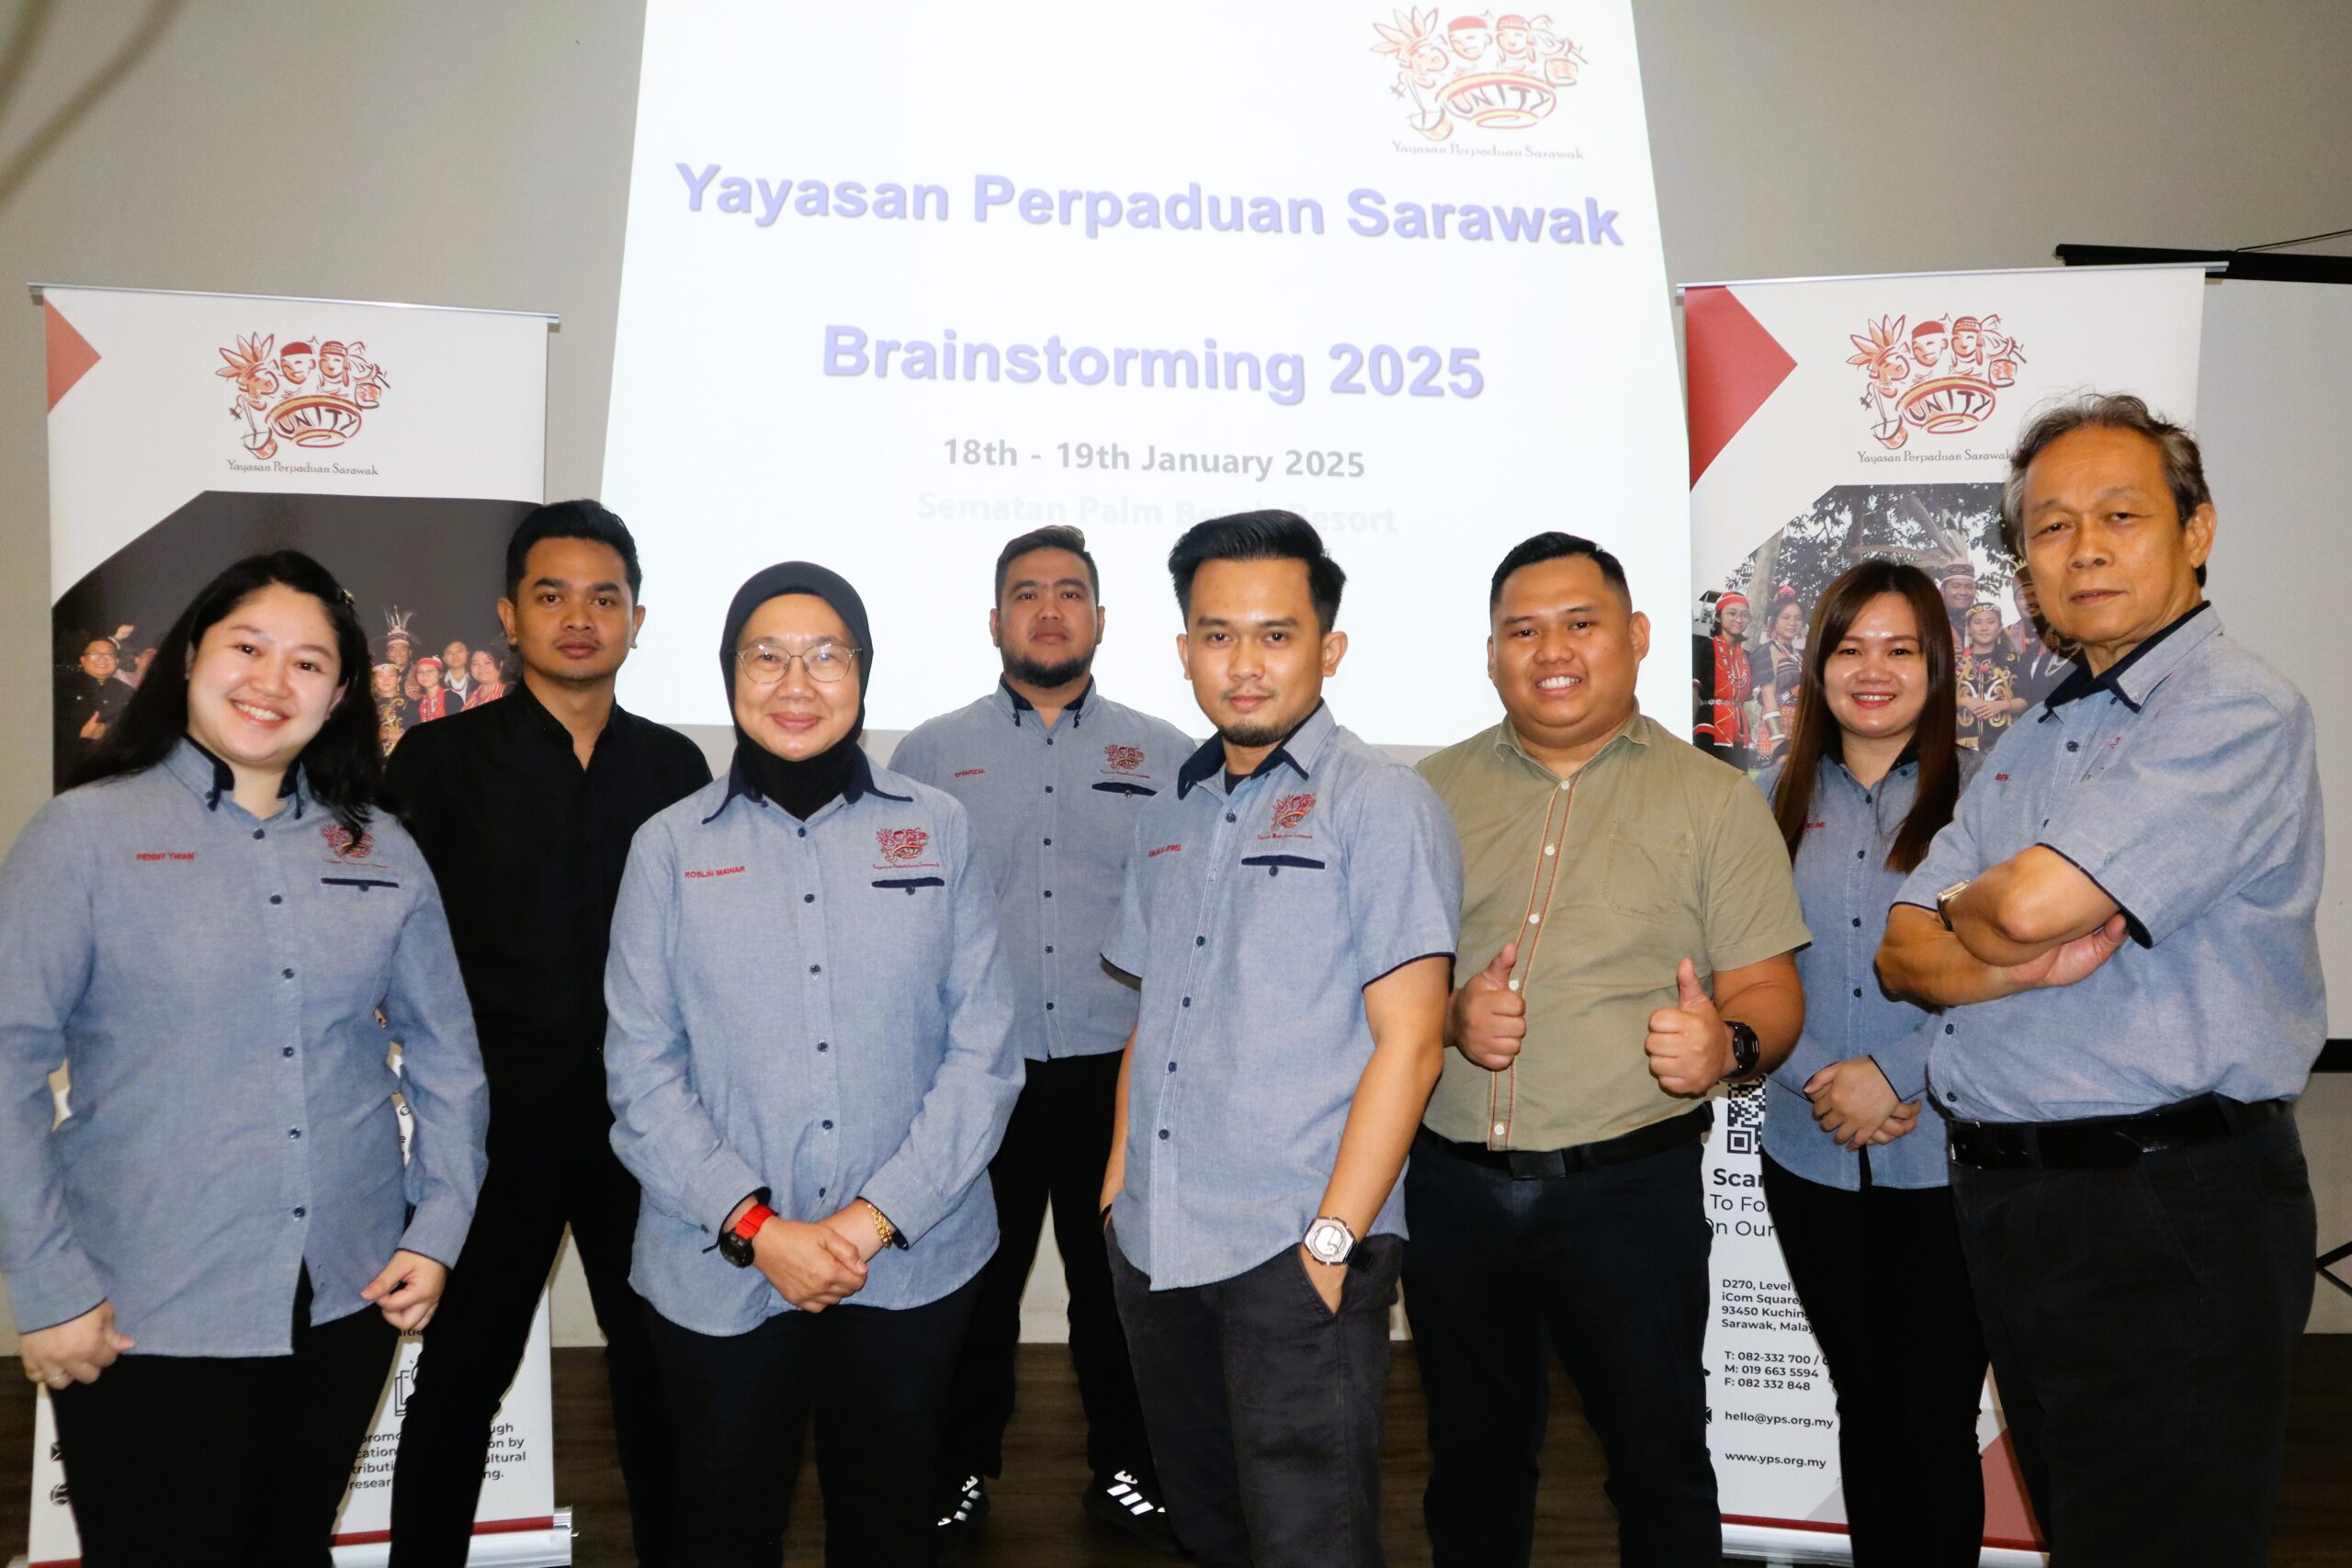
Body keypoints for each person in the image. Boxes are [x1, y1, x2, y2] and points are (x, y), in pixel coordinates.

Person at [1877, 394, 2324, 1565]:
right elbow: (1902, 948)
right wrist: (2011, 961)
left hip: (2162, 1203)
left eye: (2120, 515)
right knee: (2089, 1531)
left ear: (2196, 529)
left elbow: (2023, 906)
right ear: (2024, 566)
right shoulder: (2037, 729)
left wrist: (1989, 913)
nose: (2082, 549)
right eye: (2050, 527)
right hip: (2024, 1204)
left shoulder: (2232, 707)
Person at [0, 551, 488, 1567]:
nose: (272, 682)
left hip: (343, 1293)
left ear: (340, 695)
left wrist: (439, 1224)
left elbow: (448, 1055)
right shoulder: (84, 835)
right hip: (143, 1306)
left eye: (308, 663)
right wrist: (46, 1286)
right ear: (190, 656)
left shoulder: (381, 849)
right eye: (248, 647)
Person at [604, 561, 1023, 1566]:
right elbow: (641, 1072)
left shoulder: (938, 827)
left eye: (826, 655)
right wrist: (760, 1230)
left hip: (912, 1260)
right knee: (724, 1525)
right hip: (717, 1262)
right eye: (767, 656)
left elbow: (984, 1055)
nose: (796, 683)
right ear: (730, 674)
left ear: (863, 672)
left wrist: (871, 1220)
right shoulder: (667, 848)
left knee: (887, 1523)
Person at [1408, 532, 1809, 1568]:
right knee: (1470, 1468)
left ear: (1634, 636)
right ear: (1491, 654)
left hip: (1628, 1199)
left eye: (1580, 624)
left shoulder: (1714, 800)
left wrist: (1725, 1044)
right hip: (1451, 1192)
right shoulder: (1424, 794)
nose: (1552, 650)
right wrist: (1449, 1016)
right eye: (1522, 630)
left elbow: (1770, 991)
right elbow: (1376, 983)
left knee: (1658, 1466)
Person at [1099, 512, 1460, 1567]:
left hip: (1292, 1250)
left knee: (1312, 1542)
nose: (1244, 664)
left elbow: (1412, 1043)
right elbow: (1153, 1017)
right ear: (1183, 651)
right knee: (1206, 1529)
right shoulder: (1169, 814)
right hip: (1158, 1242)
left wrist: (1331, 1244)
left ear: (1328, 648)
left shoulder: (1381, 804)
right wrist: (1119, 1192)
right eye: (1218, 635)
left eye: (1275, 634)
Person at [386, 502, 711, 1568]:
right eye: (551, 595)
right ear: (508, 616)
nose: (579, 618)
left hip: (641, 1133)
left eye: (603, 598)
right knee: (459, 1383)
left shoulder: (675, 771)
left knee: (660, 1378)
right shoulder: (435, 763)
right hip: (492, 1134)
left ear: (637, 619)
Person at [893, 525, 1190, 1551]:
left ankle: (1131, 1466)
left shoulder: (1169, 755)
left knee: (1118, 1288)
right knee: (971, 1286)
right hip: (981, 1073)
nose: (1049, 609)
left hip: (1121, 1069)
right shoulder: (930, 755)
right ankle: (957, 1469)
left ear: (1101, 619)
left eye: (1070, 592)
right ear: (994, 620)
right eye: (1027, 592)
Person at [1755, 560, 1986, 1567]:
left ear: (1936, 666)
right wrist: (1825, 1077)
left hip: (1948, 1155)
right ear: (1817, 668)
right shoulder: (1764, 801)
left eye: (1899, 648)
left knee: (1932, 1410)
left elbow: (2012, 977)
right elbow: (1740, 967)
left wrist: (1895, 1073)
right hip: (1809, 1151)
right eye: (1849, 649)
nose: (1873, 670)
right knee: (1863, 1397)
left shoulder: (1986, 802)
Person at [53, 635, 130, 791]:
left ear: (116, 661)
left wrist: (108, 731)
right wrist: (81, 735)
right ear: (83, 660)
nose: (102, 658)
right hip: (68, 773)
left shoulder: (128, 692)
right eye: (95, 654)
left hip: (113, 775)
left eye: (109, 654)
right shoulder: (60, 688)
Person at [1954, 601, 2026, 752]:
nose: (1984, 628)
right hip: (1962, 746)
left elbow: (2027, 701)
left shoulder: (2015, 660)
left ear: (2000, 627)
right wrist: (1964, 701)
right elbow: (1939, 701)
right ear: (1968, 628)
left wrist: (2002, 705)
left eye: (1991, 622)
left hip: (2004, 746)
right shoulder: (1955, 662)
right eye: (1978, 622)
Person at [1751, 587, 1807, 761]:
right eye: (1786, 617)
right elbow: (1768, 696)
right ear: (1774, 621)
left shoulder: (1799, 654)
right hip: (1777, 725)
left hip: (1799, 725)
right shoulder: (1768, 650)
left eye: (1797, 618)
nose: (1792, 623)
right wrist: (1777, 738)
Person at [1703, 590, 1755, 767]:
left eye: (1744, 615)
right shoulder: (1705, 646)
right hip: (1709, 724)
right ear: (1718, 617)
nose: (1738, 619)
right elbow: (1694, 692)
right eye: (1732, 613)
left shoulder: (1748, 657)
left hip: (1740, 727)